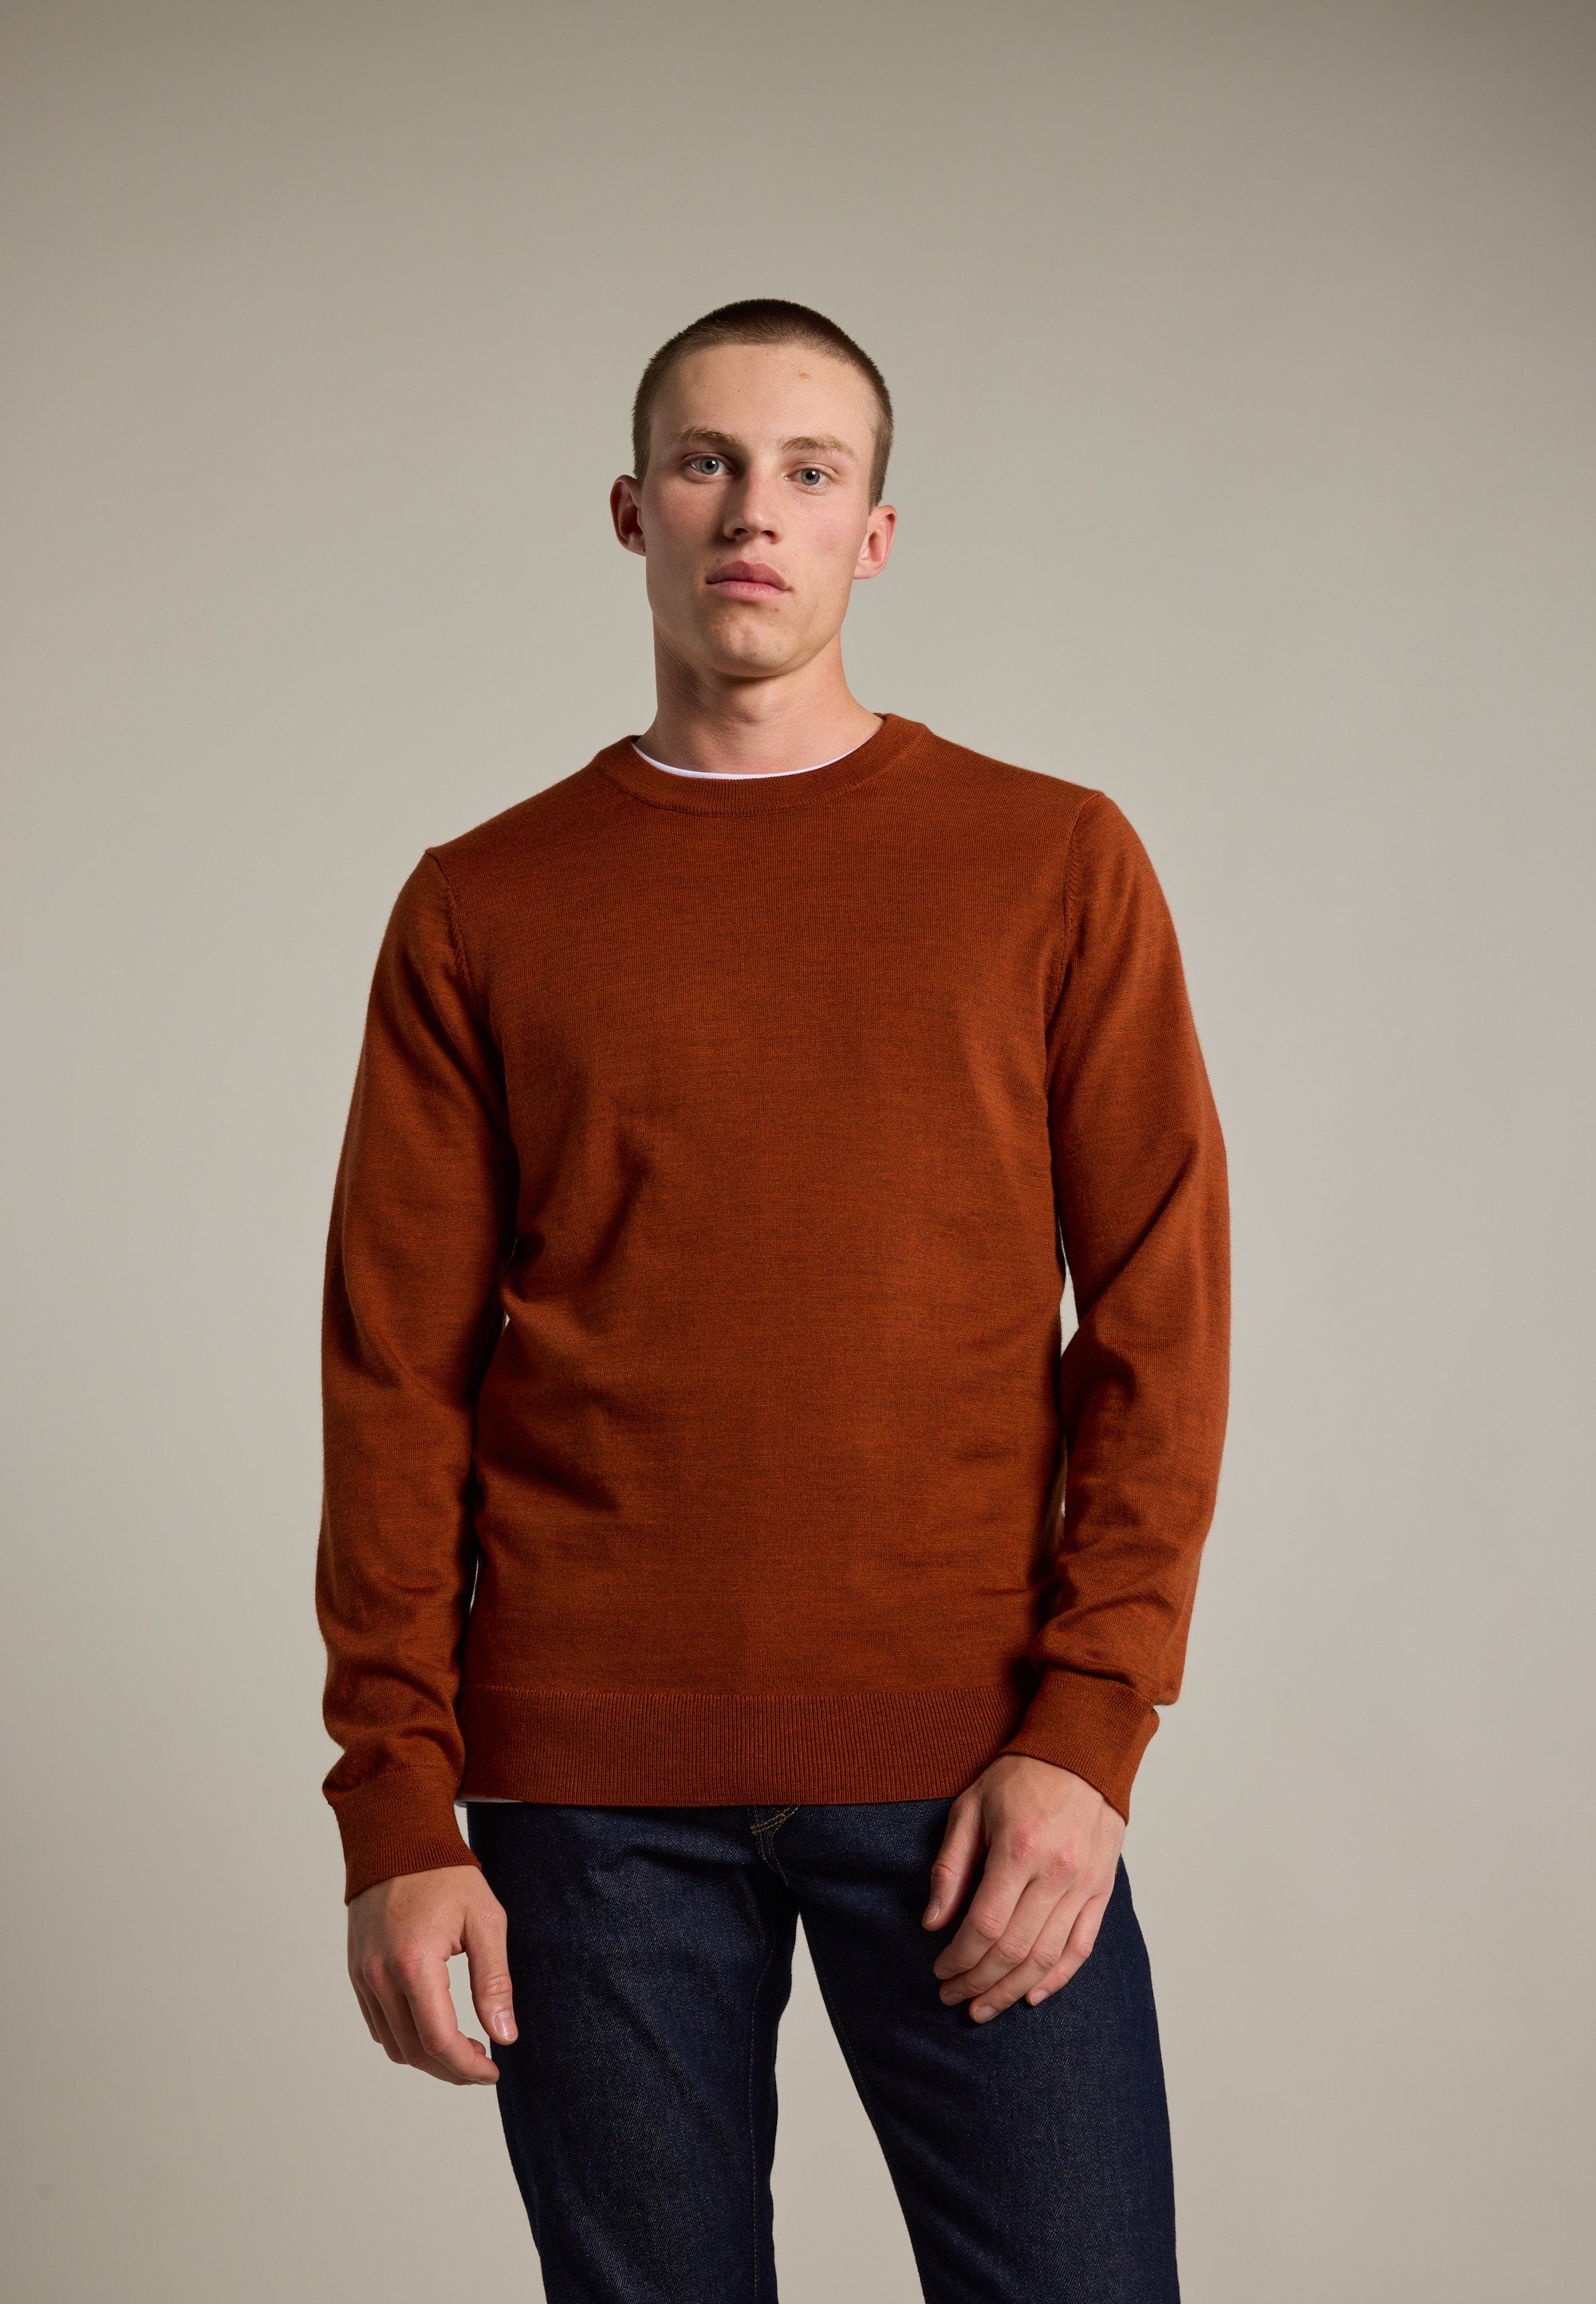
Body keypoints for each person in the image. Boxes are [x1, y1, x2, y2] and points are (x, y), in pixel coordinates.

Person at [316, 297, 1230, 2302]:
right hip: (580, 1796)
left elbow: (1158, 1322)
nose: (756, 512)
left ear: (872, 534)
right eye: (712, 467)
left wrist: (1090, 1735)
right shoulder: (483, 902)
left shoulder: (1049, 863)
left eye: (809, 472)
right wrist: (395, 1802)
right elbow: (395, 1379)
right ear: (632, 512)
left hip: (971, 1771)